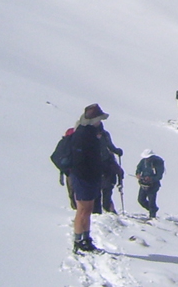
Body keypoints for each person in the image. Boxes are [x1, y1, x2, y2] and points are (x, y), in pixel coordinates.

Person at [70, 103, 109, 253]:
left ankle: (85, 238)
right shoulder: (83, 134)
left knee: (87, 209)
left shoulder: (89, 131)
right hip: (84, 178)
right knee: (83, 210)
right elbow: (80, 160)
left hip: (88, 177)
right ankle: (79, 240)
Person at [93, 122, 124, 214]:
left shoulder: (103, 135)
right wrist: (117, 151)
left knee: (103, 188)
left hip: (99, 165)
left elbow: (110, 147)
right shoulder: (104, 135)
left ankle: (102, 209)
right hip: (102, 164)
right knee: (105, 188)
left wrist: (116, 151)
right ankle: (106, 209)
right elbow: (110, 147)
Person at [135, 149, 165, 219]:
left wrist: (151, 179)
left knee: (152, 202)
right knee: (141, 200)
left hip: (153, 185)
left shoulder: (159, 162)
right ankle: (153, 210)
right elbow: (138, 168)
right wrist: (138, 174)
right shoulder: (143, 161)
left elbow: (159, 176)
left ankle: (152, 216)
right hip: (143, 184)